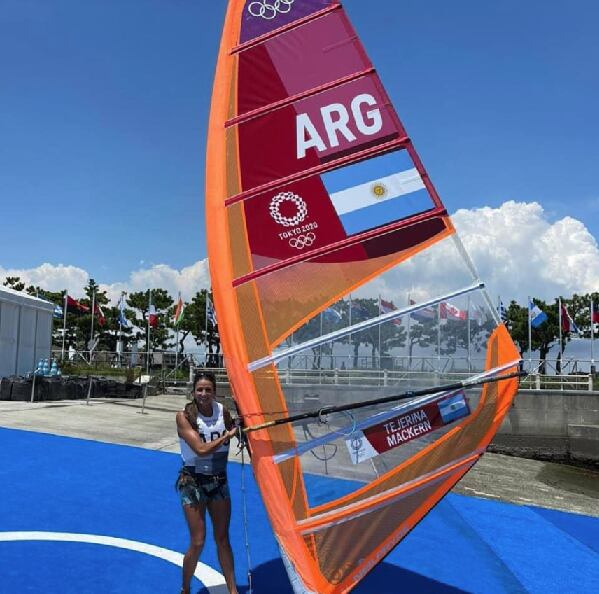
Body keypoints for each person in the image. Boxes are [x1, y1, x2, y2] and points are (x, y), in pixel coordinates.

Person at [176, 371, 239, 594]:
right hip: (192, 482)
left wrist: (244, 429)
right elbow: (201, 450)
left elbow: (240, 431)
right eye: (199, 389)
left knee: (223, 538)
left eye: (208, 390)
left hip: (219, 481)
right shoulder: (184, 416)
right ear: (193, 391)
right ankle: (185, 588)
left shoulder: (224, 412)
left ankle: (233, 591)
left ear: (215, 392)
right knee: (198, 541)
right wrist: (226, 437)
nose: (203, 394)